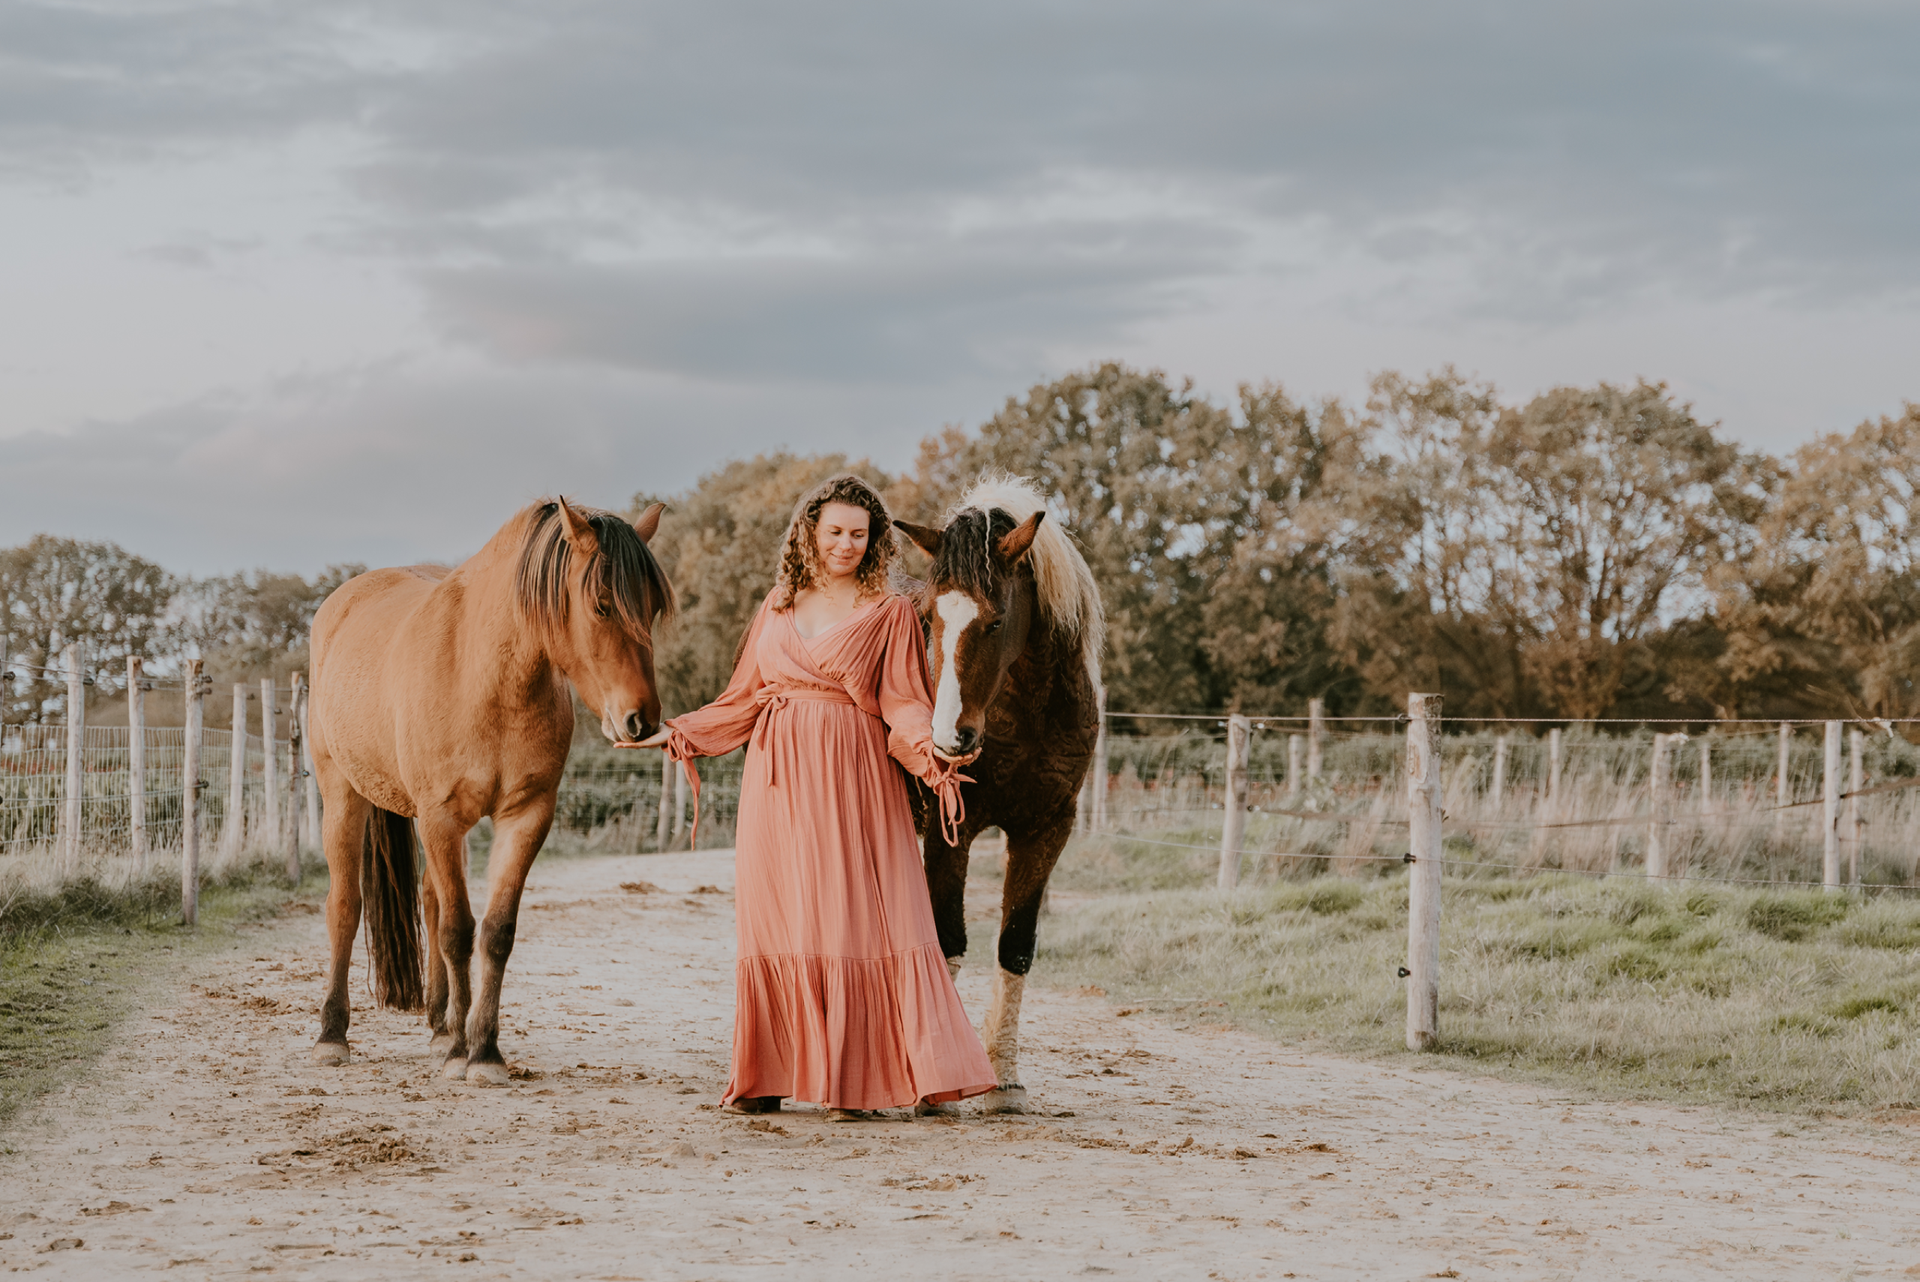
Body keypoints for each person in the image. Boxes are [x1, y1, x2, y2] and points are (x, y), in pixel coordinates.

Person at [624, 474, 996, 1118]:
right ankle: (767, 1075)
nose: (846, 545)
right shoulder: (777, 604)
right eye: (835, 532)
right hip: (776, 779)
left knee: (848, 919)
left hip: (853, 777)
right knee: (778, 917)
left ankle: (852, 1082)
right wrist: (678, 732)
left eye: (859, 534)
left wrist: (931, 751)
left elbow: (903, 701)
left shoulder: (889, 610)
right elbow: (743, 698)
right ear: (810, 532)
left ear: (874, 540)